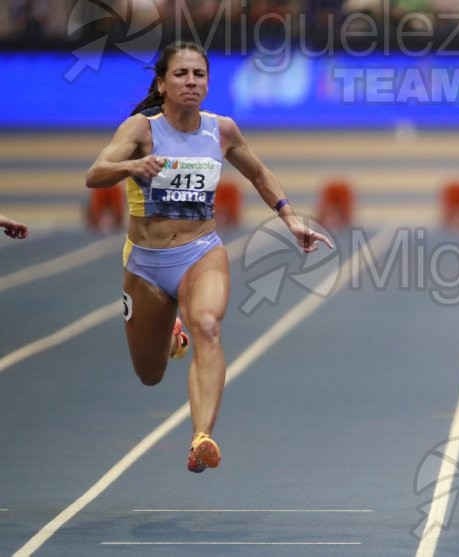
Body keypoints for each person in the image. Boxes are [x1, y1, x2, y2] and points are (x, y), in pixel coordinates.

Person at [85, 41, 333, 473]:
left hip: (201, 252)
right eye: (180, 74)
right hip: (145, 264)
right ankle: (171, 338)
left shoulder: (221, 131)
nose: (190, 82)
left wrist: (289, 218)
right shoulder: (141, 131)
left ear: (208, 83)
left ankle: (202, 437)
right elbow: (94, 174)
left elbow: (258, 172)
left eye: (199, 75)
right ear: (162, 83)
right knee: (150, 374)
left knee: (208, 325)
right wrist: (131, 168)